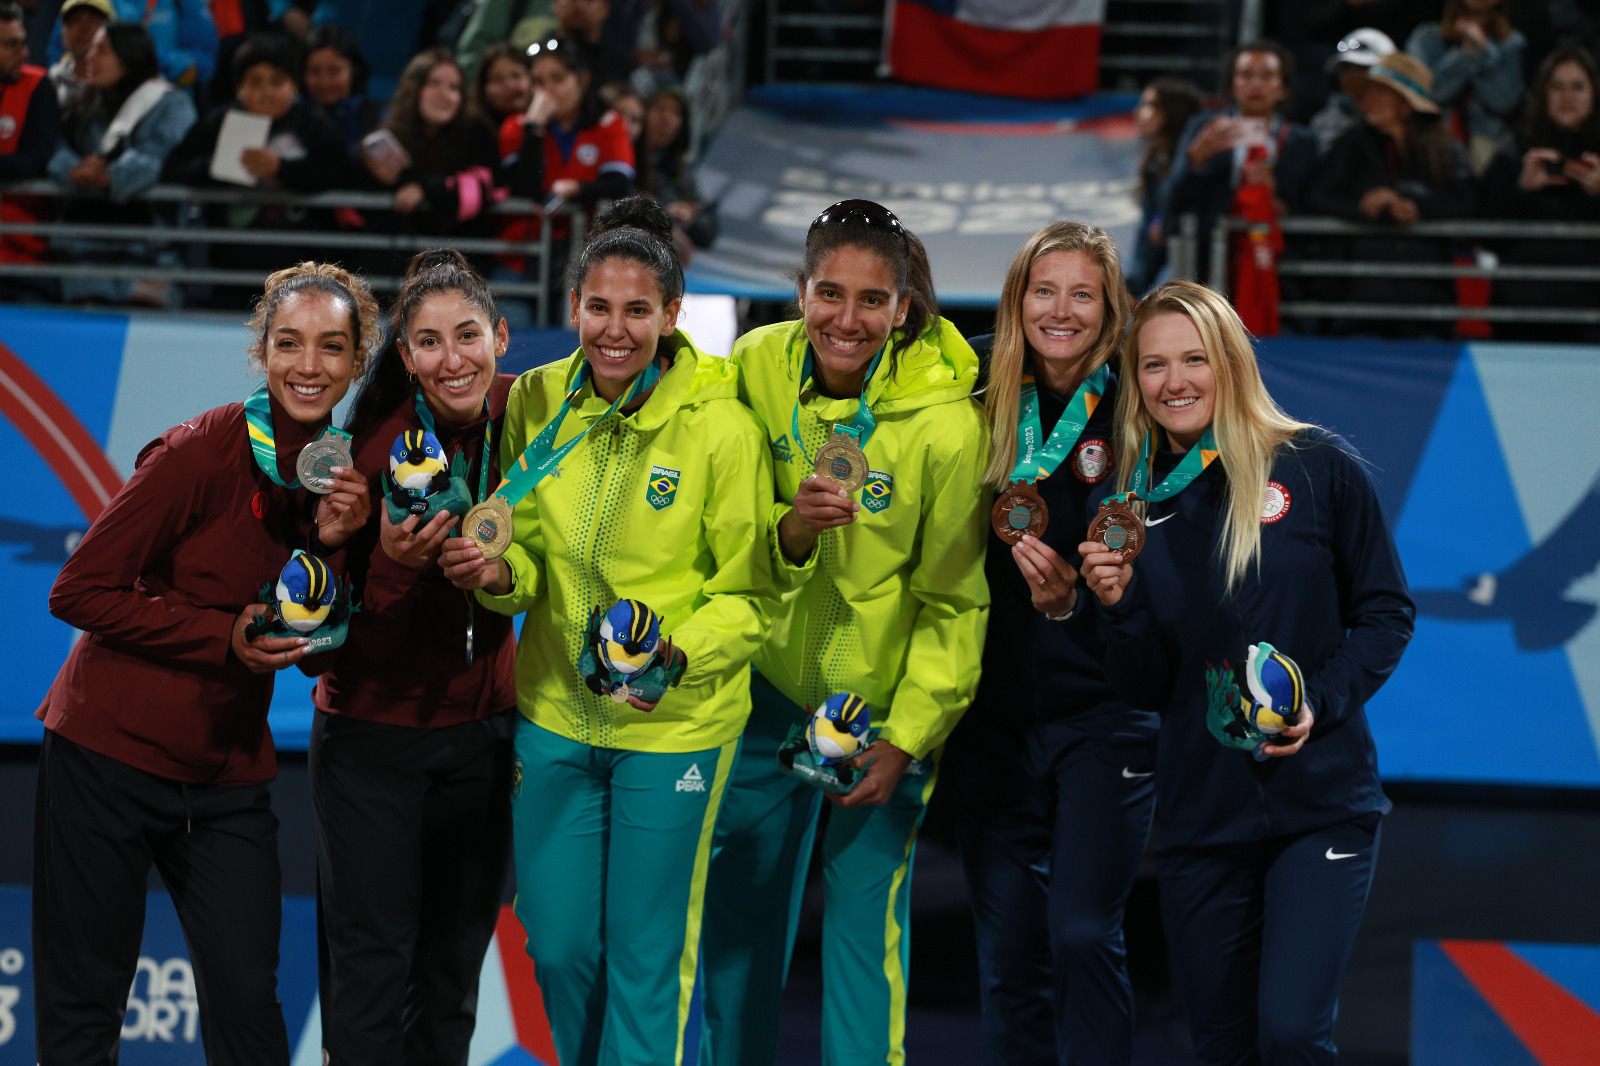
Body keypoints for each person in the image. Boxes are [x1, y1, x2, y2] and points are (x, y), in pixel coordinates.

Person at [439, 195, 775, 1066]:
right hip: (553, 717)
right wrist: (499, 576)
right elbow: (533, 550)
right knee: (559, 950)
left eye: (636, 311)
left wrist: (676, 653)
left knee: (646, 962)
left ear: (671, 315)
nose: (614, 331)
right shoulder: (541, 400)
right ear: (573, 306)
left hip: (676, 730)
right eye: (597, 308)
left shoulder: (722, 430)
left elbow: (749, 598)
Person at [32, 261, 379, 1065]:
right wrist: (219, 634)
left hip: (223, 779)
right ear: (262, 350)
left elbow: (305, 656)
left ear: (358, 362)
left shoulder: (339, 481)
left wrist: (337, 549)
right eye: (289, 343)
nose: (309, 366)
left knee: (248, 1005)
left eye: (332, 348)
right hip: (104, 758)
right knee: (84, 1007)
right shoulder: (197, 451)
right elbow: (77, 590)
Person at [1079, 280, 1413, 1066]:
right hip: (1202, 819)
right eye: (1153, 365)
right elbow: (1143, 687)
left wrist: (1320, 704)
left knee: (1293, 1034)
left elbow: (1386, 613)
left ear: (1230, 361)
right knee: (1221, 1045)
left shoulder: (1319, 467)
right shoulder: (1126, 504)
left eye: (1194, 358)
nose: (1174, 382)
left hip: (1322, 808)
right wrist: (1118, 608)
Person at [698, 199, 991, 1066]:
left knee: (865, 942)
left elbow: (955, 602)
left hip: (877, 719)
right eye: (830, 293)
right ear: (798, 291)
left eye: (872, 301)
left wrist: (908, 736)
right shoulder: (753, 367)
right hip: (759, 701)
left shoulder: (946, 425)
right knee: (737, 940)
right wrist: (785, 532)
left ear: (904, 307)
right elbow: (711, 509)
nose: (847, 320)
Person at [942, 221, 1157, 1066]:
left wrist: (1084, 609)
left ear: (1110, 309)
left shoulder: (1143, 400)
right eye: (1043, 291)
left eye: (1082, 294)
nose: (1059, 312)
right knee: (1009, 958)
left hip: (1105, 714)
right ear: (1016, 298)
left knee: (1079, 931)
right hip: (988, 716)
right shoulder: (972, 385)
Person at [303, 249, 518, 1066]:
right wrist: (391, 562)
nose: (451, 358)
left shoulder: (529, 418)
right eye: (428, 342)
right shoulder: (364, 452)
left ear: (500, 336)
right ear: (405, 355)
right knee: (371, 974)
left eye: (468, 335)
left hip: (484, 737)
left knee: (451, 978)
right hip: (370, 739)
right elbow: (322, 646)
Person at [163, 32, 349, 308]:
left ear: (295, 86)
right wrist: (218, 165)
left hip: (303, 274)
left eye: (278, 81)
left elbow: (340, 173)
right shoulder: (217, 122)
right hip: (229, 271)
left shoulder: (314, 125)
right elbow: (175, 169)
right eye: (255, 81)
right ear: (239, 87)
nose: (266, 91)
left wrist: (282, 168)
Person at [1306, 53, 1475, 334]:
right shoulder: (1351, 144)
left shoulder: (1445, 149)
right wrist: (1364, 207)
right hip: (1362, 300)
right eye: (1368, 92)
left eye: (1380, 92)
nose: (1367, 100)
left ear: (1406, 104)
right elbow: (1317, 196)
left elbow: (1468, 203)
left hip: (1428, 302)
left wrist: (1415, 204)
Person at [47, 21, 195, 306]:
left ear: (130, 57)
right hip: (85, 246)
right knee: (86, 329)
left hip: (150, 247)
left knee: (149, 333)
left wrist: (109, 176)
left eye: (101, 50)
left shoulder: (171, 104)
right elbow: (56, 146)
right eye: (90, 50)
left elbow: (161, 155)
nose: (89, 57)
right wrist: (73, 171)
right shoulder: (83, 102)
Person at [1162, 40, 1318, 286]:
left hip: (1277, 265)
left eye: (1267, 76)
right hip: (1208, 263)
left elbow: (1312, 205)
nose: (1255, 84)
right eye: (1246, 75)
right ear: (1232, 85)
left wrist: (1277, 201)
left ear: (1283, 88)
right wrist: (1195, 161)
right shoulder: (1204, 128)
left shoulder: (1302, 141)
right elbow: (1171, 202)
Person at [1482, 45, 1600, 341]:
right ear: (1542, 94)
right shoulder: (1514, 151)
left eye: (1577, 87)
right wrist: (1520, 191)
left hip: (1592, 318)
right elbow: (1480, 233)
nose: (1567, 97)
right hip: (1521, 315)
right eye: (1557, 87)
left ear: (1594, 94)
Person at [354, 48, 500, 256]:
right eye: (434, 83)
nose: (445, 95)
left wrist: (425, 190)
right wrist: (374, 177)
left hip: (459, 259)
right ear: (414, 89)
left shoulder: (476, 133)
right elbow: (350, 211)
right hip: (394, 259)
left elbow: (481, 188)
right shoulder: (389, 134)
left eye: (454, 88)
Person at [1407, 0, 1526, 174]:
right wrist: (1464, 56)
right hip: (1433, 137)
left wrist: (1484, 52)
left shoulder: (1511, 43)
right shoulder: (1426, 38)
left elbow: (1505, 102)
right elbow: (1424, 93)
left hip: (1488, 140)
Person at [0, 0, 62, 279]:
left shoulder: (37, 86)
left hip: (21, 254)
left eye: (23, 42)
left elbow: (38, 158)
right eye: (11, 45)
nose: (24, 53)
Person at [1129, 76, 1201, 295]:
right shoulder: (1155, 164)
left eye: (1150, 105)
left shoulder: (1196, 168)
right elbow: (1147, 241)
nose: (1137, 113)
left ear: (1172, 112)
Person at [636, 85, 716, 256]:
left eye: (676, 113)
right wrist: (668, 213)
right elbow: (621, 201)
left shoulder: (678, 169)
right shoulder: (625, 159)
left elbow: (708, 229)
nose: (667, 119)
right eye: (659, 109)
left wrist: (688, 218)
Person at [1308, 27, 1396, 154]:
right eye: (1347, 71)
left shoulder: (1407, 121)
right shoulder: (1323, 123)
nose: (1353, 81)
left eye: (1363, 70)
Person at [303, 23, 380, 155]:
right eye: (315, 72)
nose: (324, 82)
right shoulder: (290, 116)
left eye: (334, 71)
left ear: (354, 71)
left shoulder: (377, 120)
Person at [46, 0, 111, 108]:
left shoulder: (119, 84)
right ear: (62, 32)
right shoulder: (52, 79)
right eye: (75, 20)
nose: (84, 28)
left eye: (94, 20)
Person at [473, 40, 533, 133]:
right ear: (484, 89)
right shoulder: (474, 133)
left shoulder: (552, 127)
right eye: (498, 79)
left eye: (516, 75)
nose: (510, 85)